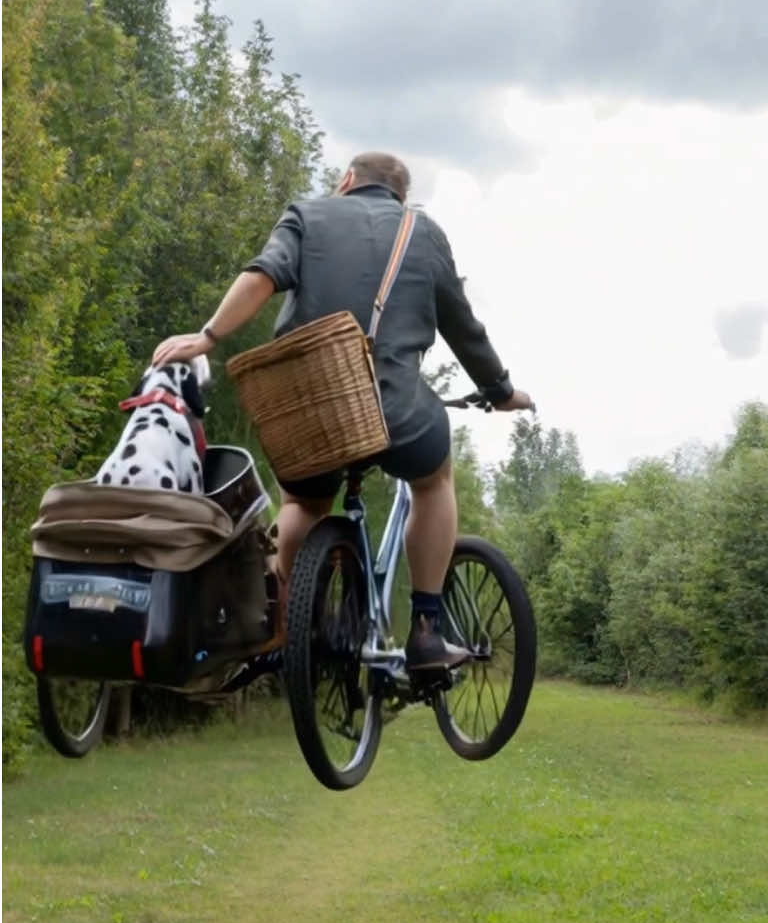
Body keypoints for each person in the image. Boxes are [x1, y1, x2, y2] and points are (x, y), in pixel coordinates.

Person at [152, 152, 532, 671]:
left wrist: (208, 336)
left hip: (305, 405)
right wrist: (500, 389)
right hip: (395, 409)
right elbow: (463, 327)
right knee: (433, 478)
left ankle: (292, 624)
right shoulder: (424, 234)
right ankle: (426, 630)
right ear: (402, 197)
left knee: (304, 505)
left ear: (347, 181)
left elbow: (261, 276)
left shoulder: (307, 214)